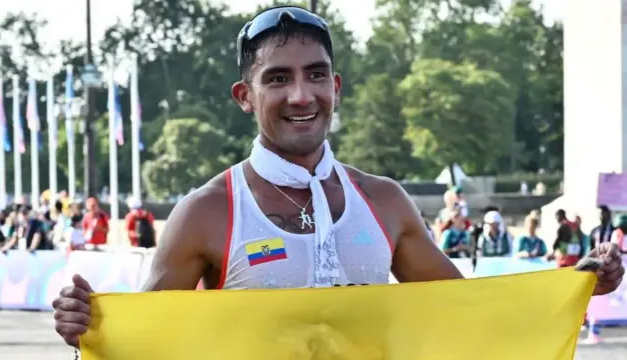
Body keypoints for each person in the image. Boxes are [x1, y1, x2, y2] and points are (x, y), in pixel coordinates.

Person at [52, 5, 625, 350]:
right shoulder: (208, 211)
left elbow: (468, 310)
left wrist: (572, 286)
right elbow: (149, 336)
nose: (301, 95)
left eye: (315, 75)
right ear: (244, 98)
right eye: (277, 79)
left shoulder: (384, 200)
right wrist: (91, 323)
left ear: (336, 86)